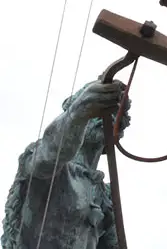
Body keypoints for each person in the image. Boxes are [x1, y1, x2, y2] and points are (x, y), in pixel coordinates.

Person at [2, 80, 129, 249]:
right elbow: (46, 159)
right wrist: (77, 114)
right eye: (97, 110)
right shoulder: (48, 160)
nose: (106, 116)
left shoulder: (104, 195)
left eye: (115, 112)